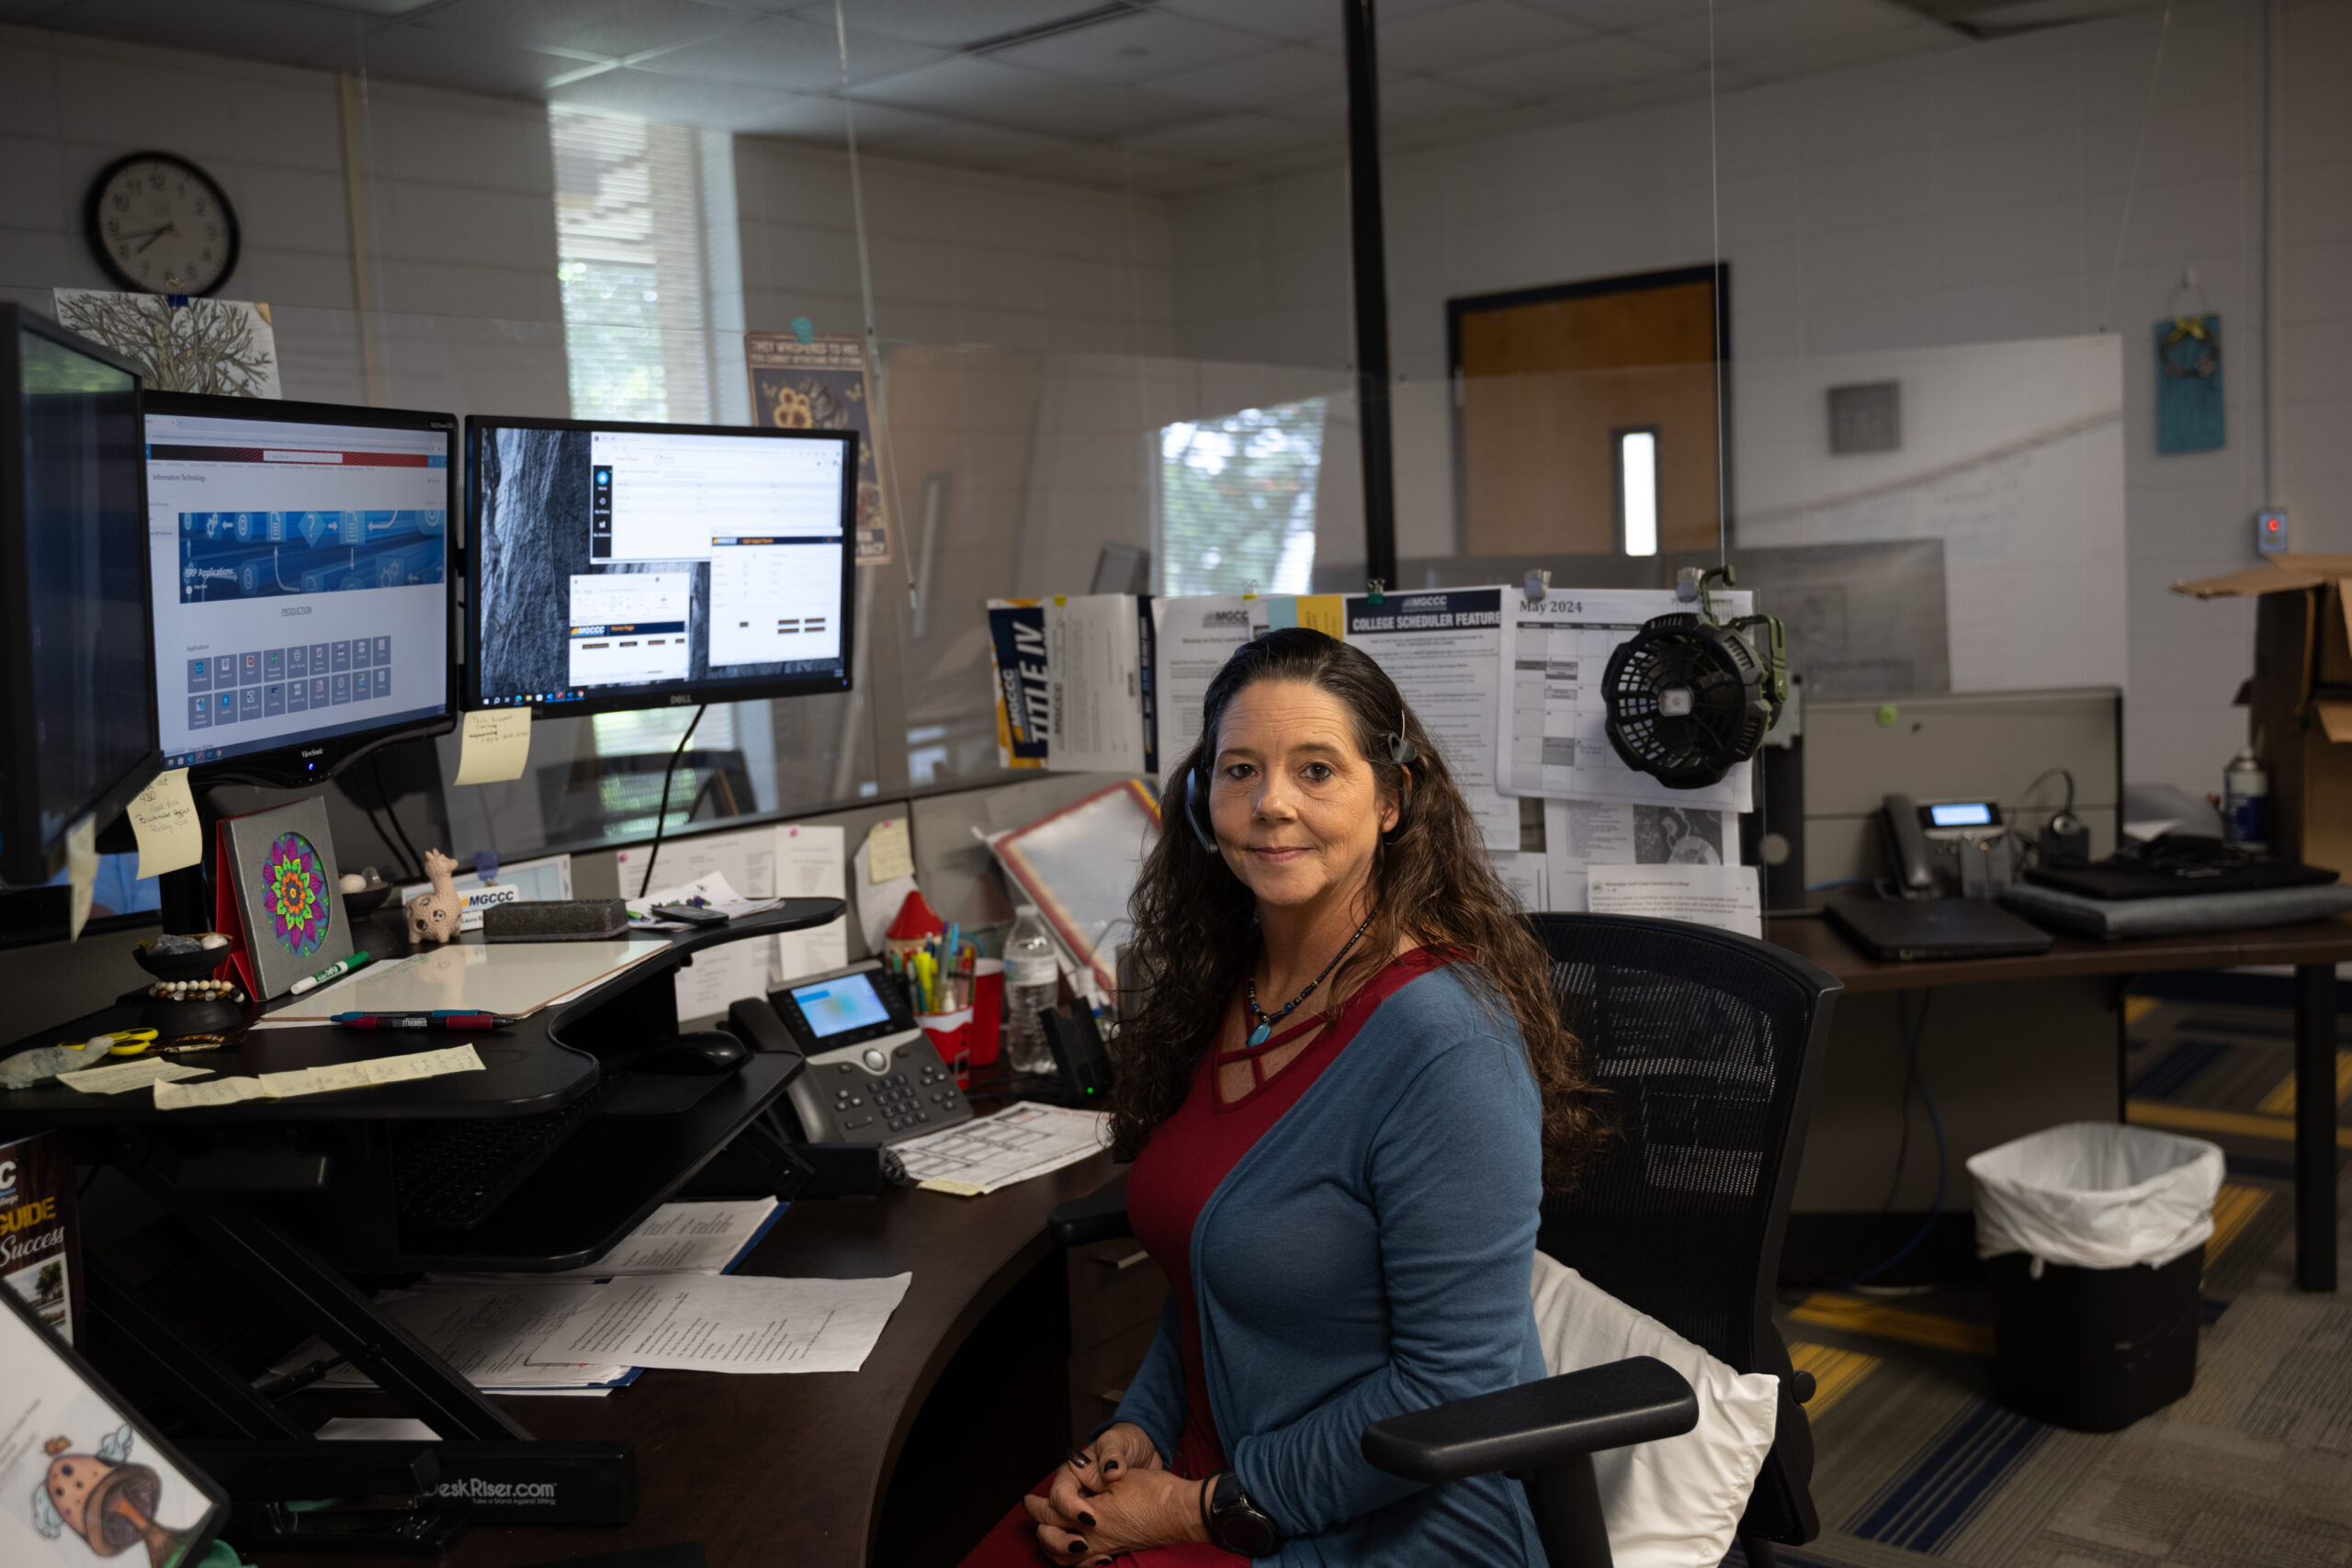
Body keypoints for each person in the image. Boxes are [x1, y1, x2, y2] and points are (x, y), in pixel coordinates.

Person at [960, 627, 1598, 1566]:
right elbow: (1213, 1271)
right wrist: (1137, 1427)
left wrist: (1193, 1508)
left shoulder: (1447, 1042)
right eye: (1240, 771)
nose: (1270, 805)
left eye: (1315, 770)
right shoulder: (1228, 993)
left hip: (1391, 1519)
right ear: (1199, 800)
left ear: (1392, 799)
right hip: (1211, 1476)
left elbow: (1450, 1387)